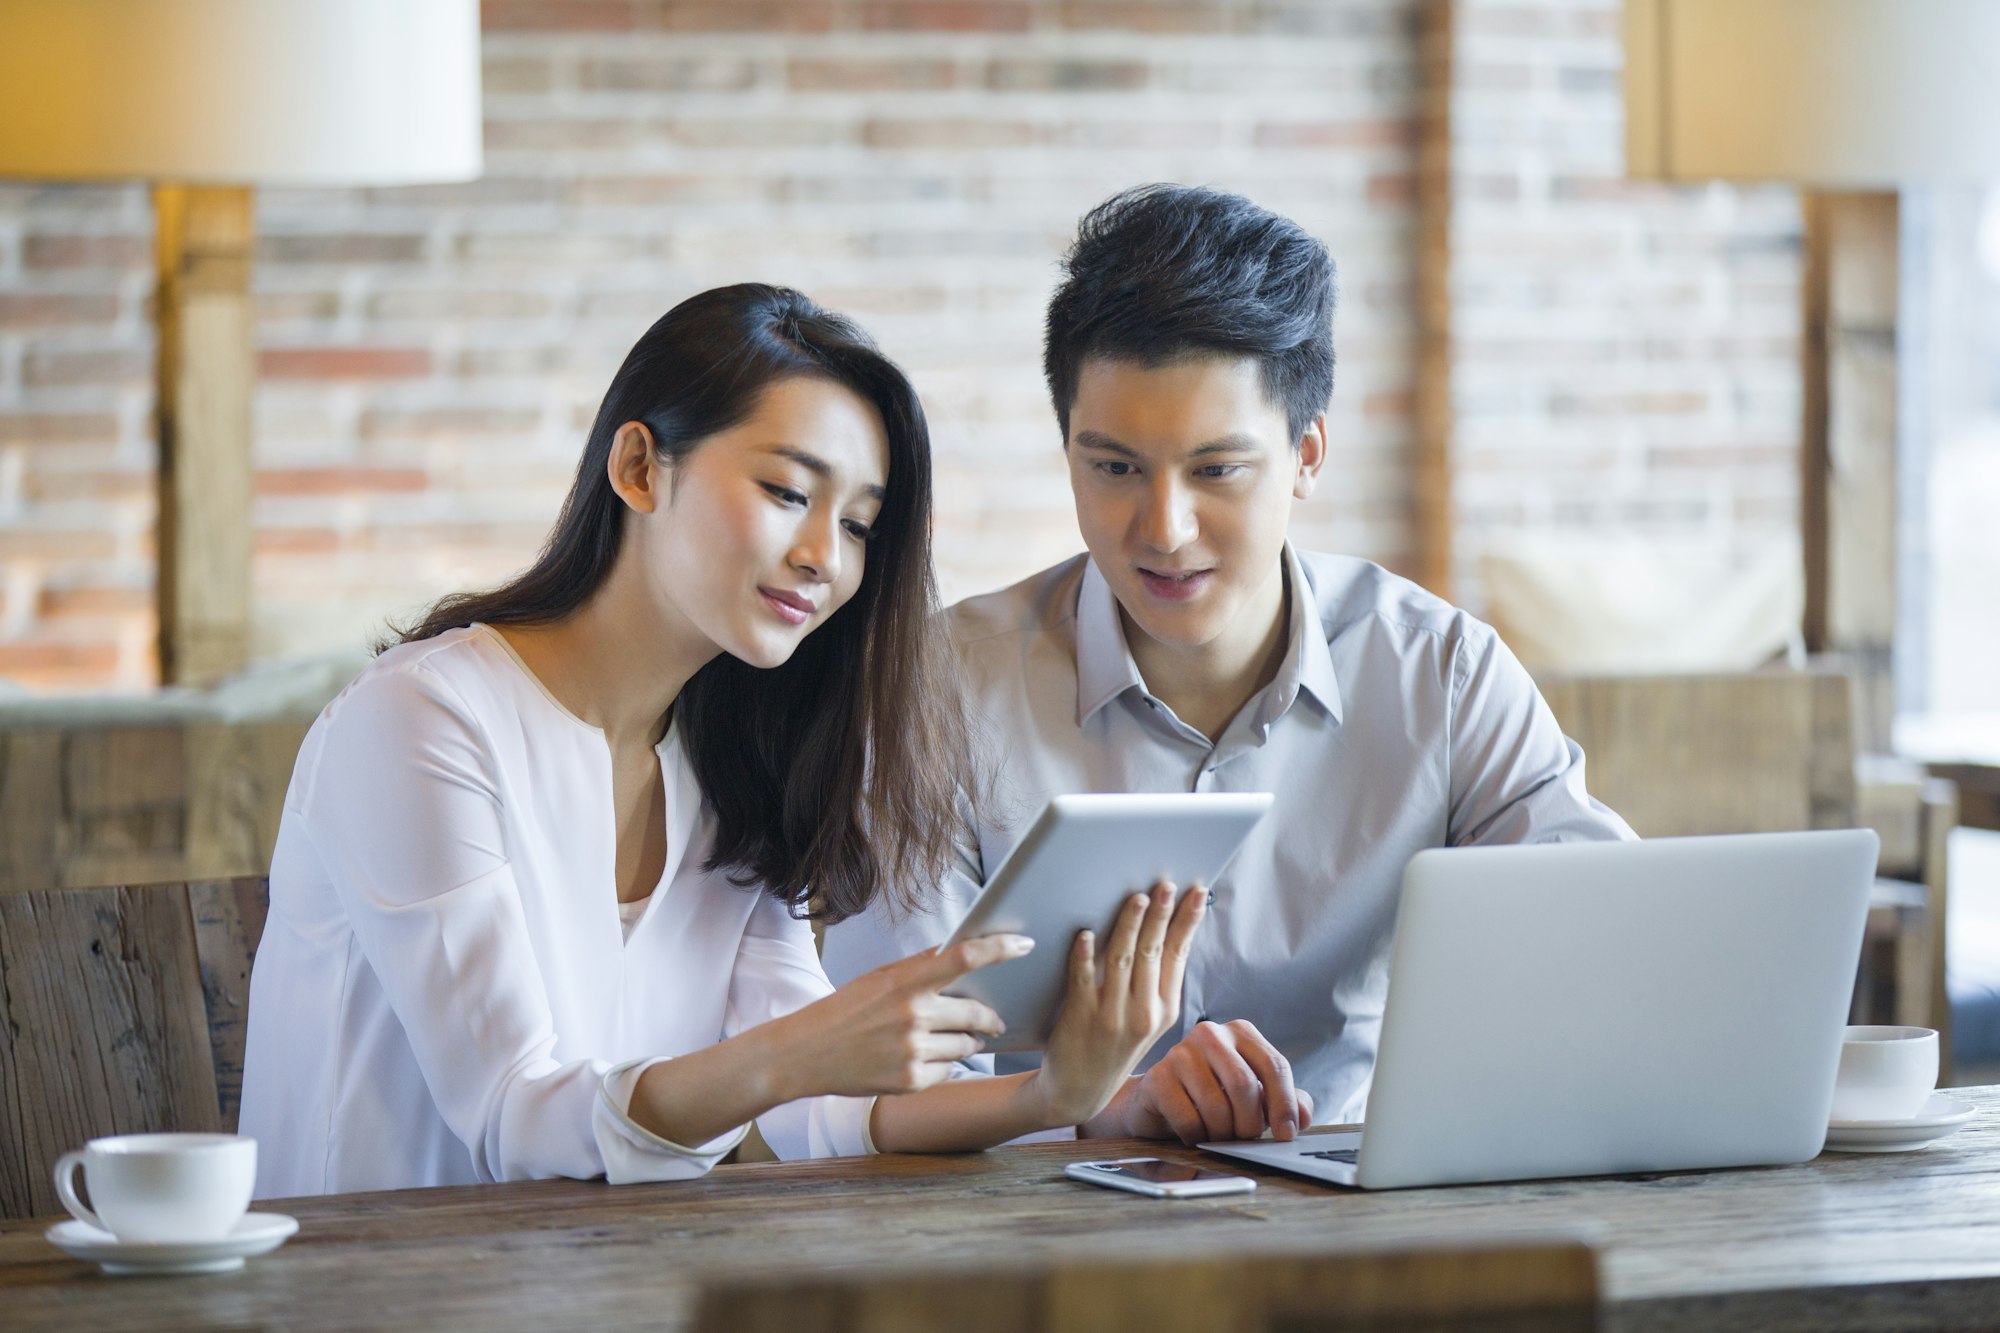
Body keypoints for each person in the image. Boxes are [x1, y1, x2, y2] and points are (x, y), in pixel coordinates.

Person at [239, 284, 1205, 1198]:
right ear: (638, 468)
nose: (826, 557)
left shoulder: (727, 760)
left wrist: (1056, 1097)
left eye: (860, 524)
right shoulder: (423, 719)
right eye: (788, 491)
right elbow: (517, 1121)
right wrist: (800, 1050)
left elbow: (814, 1116)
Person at [822, 185, 1634, 1142]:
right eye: (1114, 466)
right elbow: (873, 1092)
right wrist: (1103, 1111)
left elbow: (1606, 958)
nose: (1163, 530)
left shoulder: (1440, 678)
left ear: (1307, 455)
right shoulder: (942, 692)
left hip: (1362, 1209)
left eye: (1217, 470)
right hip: (1033, 1232)